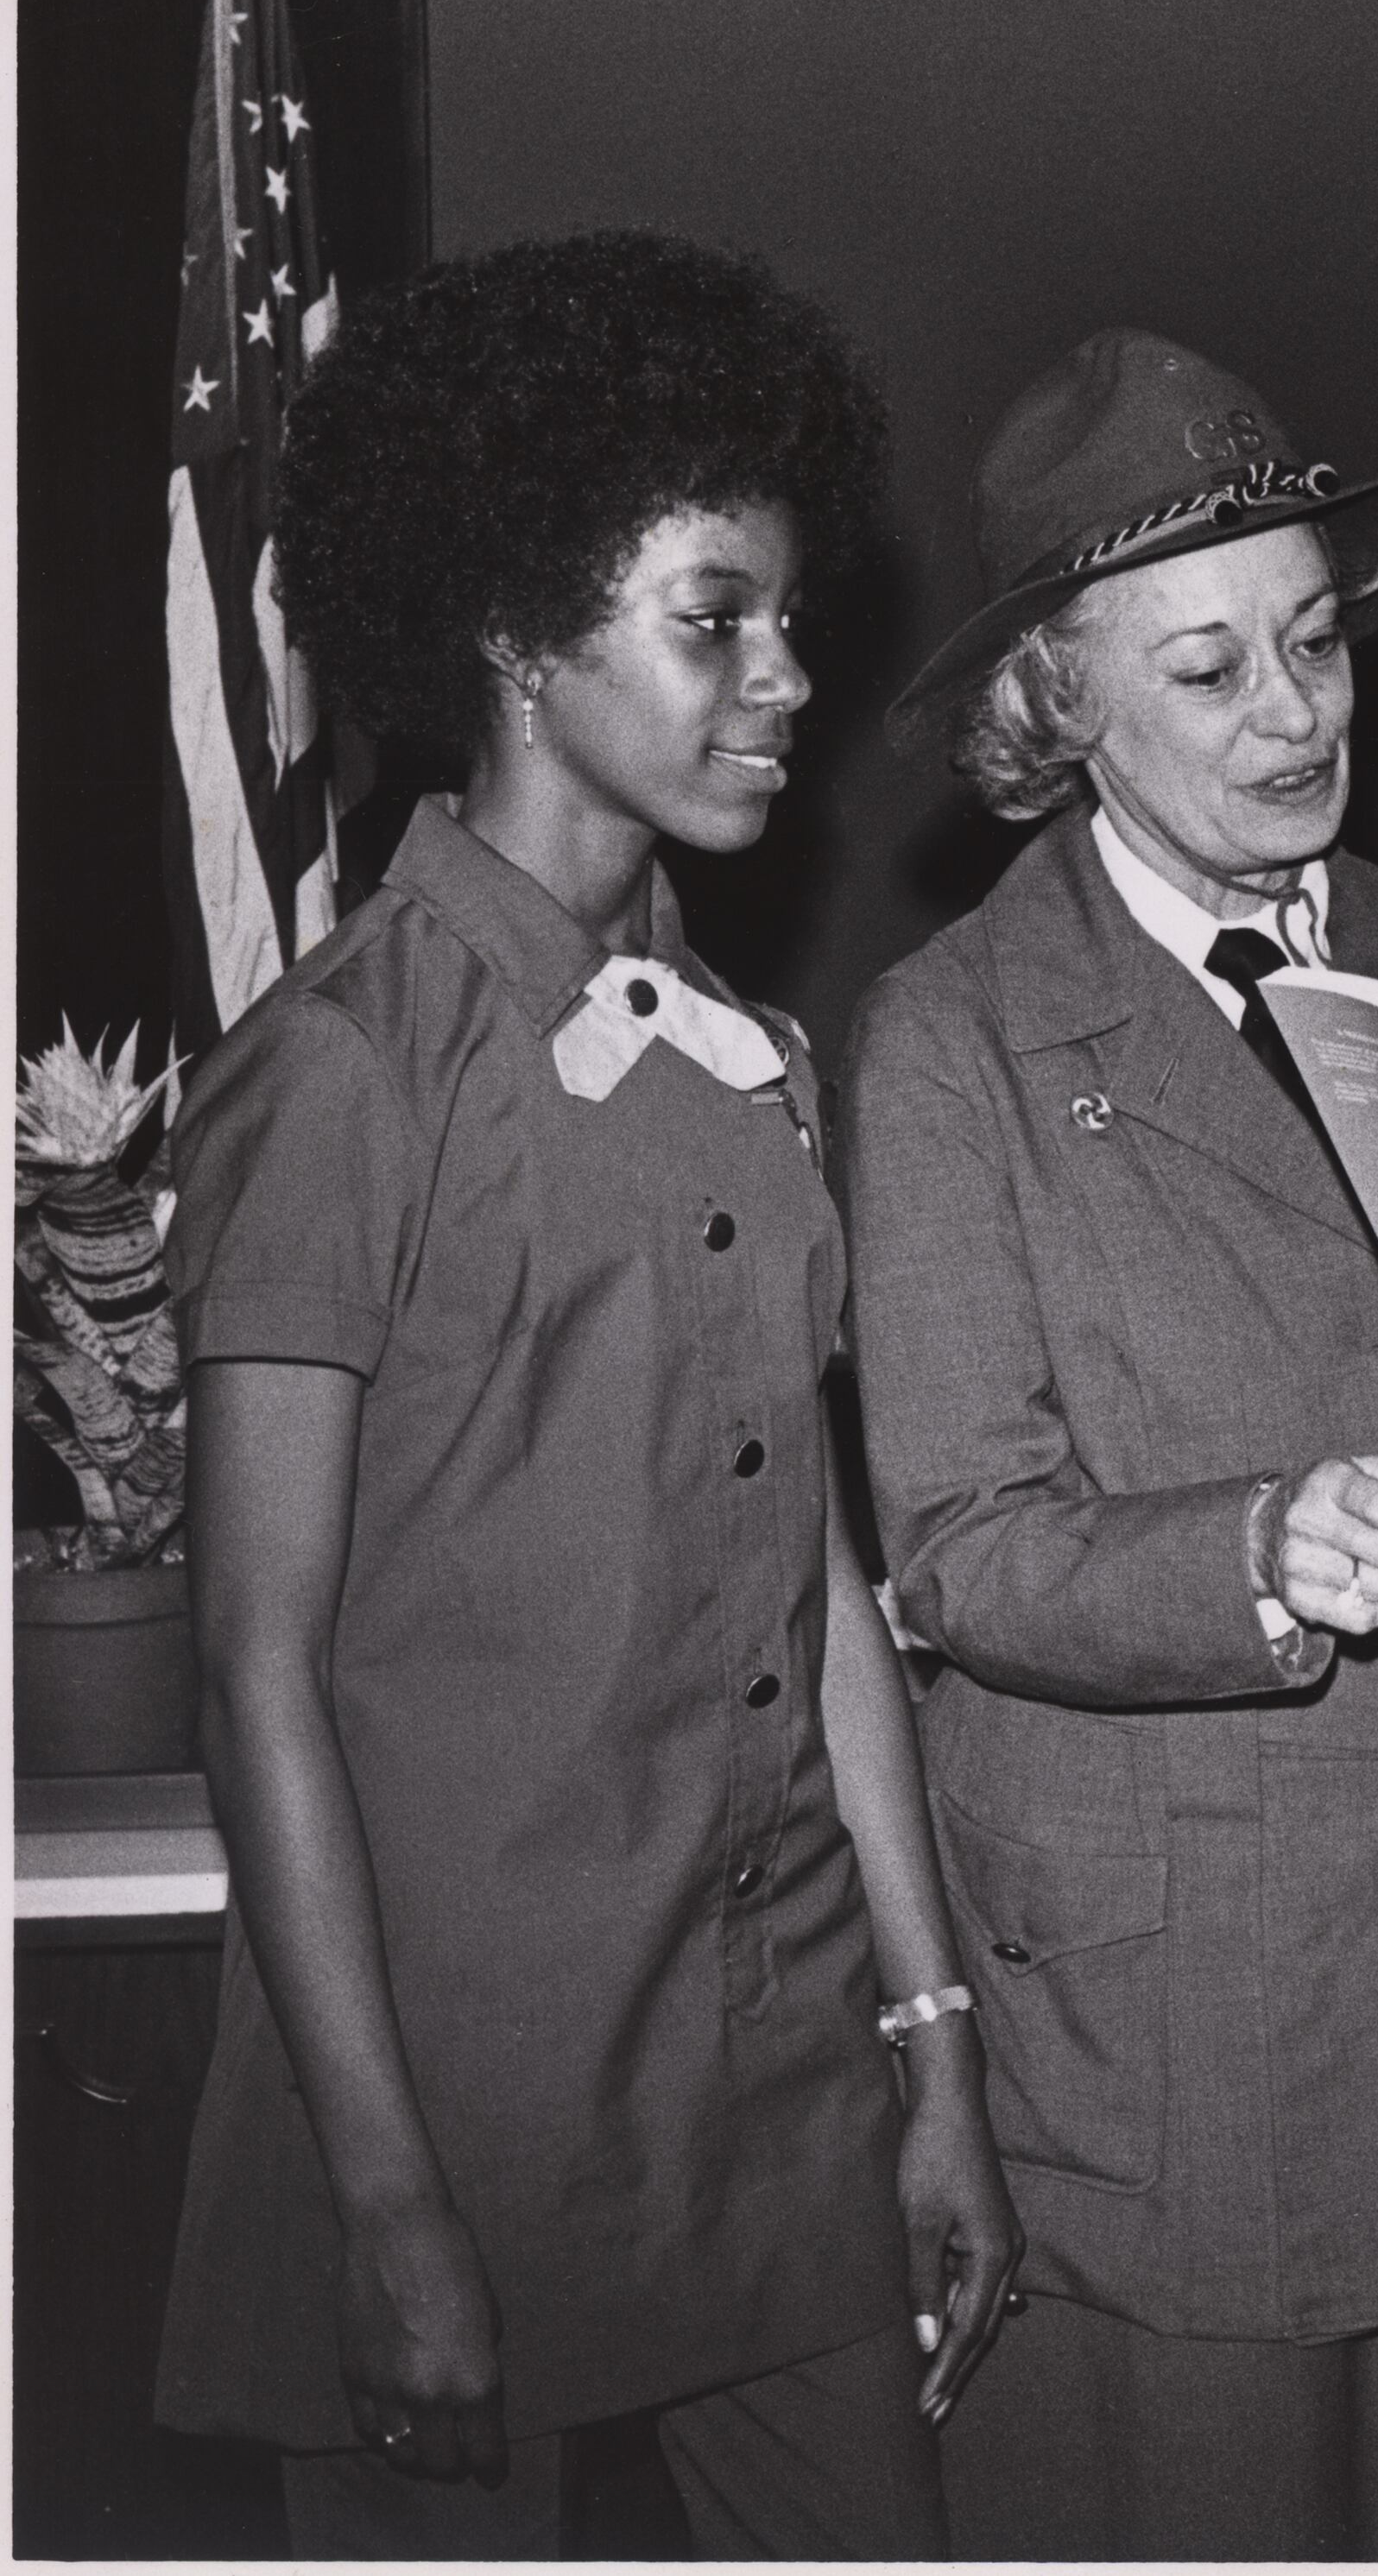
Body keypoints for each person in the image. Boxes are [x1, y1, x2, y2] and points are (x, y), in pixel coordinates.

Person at [153, 230, 1019, 2560]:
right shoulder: (340, 1073)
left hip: (775, 2083)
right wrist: (387, 2197)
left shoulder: (755, 1053)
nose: (786, 677)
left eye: (786, 615)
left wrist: (933, 2055)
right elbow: (255, 1668)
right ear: (525, 639)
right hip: (462, 2103)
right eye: (712, 617)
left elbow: (821, 1582)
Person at [845, 326, 1378, 2559]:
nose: (1295, 714)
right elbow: (963, 1546)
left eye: (1313, 643)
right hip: (1189, 2030)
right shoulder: (952, 1046)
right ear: (1063, 706)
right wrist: (1256, 1553)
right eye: (1208, 672)